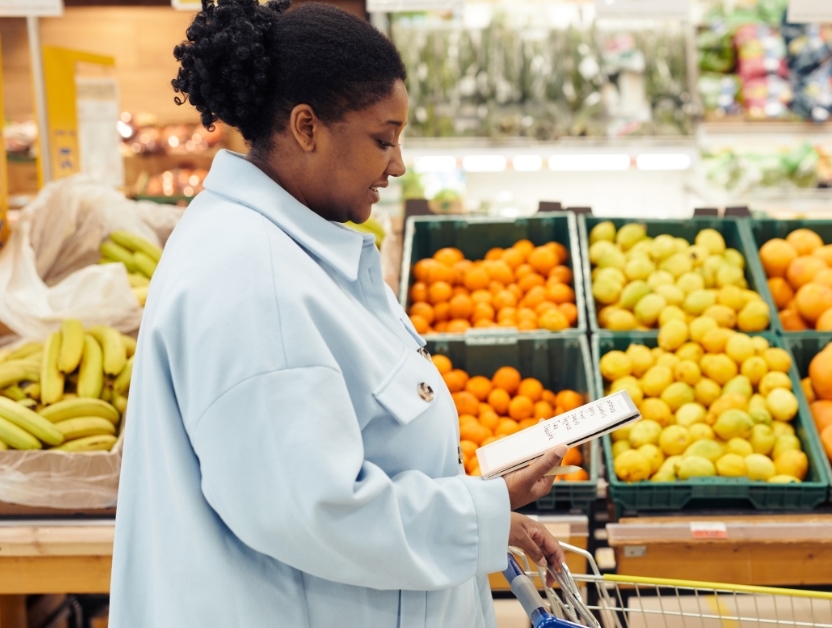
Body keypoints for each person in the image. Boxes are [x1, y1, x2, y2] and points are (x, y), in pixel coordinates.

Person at [109, 0, 566, 625]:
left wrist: (481, 509)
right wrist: (480, 512)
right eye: (384, 139)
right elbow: (312, 509)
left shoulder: (289, 251)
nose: (397, 165)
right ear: (306, 127)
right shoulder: (253, 279)